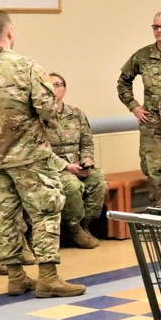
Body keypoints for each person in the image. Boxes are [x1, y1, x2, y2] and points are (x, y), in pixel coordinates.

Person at [0, 10, 85, 298]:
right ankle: (48, 277)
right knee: (46, 211)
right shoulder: (26, 67)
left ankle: (16, 277)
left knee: (3, 215)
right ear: (10, 32)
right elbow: (48, 110)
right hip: (29, 156)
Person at [117, 12, 161, 208]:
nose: (159, 30)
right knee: (154, 171)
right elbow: (123, 82)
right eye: (155, 27)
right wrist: (134, 106)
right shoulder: (143, 56)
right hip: (151, 124)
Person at [46, 73, 108, 249]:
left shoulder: (76, 114)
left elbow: (87, 141)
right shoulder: (39, 117)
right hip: (53, 168)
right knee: (71, 185)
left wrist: (86, 161)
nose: (55, 88)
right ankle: (73, 228)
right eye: (50, 85)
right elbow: (40, 150)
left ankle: (85, 224)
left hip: (77, 165)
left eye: (58, 84)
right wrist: (66, 166)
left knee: (98, 179)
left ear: (64, 89)